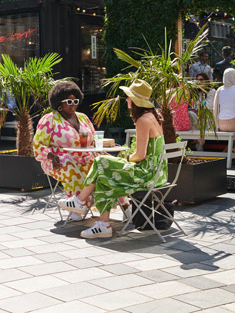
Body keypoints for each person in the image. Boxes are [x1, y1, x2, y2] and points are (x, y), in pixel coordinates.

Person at [57, 79, 166, 239]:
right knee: (103, 174)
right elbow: (145, 154)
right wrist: (122, 160)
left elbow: (140, 155)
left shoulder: (143, 121)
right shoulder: (152, 117)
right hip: (157, 172)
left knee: (100, 162)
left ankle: (81, 202)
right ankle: (103, 224)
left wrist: (125, 159)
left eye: (128, 96)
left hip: (146, 175)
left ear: (135, 100)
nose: (126, 99)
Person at [33, 81, 118, 222]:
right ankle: (78, 207)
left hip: (84, 158)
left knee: (104, 165)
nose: (73, 104)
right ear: (59, 103)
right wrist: (50, 154)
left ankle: (119, 205)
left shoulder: (83, 117)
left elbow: (93, 139)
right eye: (69, 101)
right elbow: (37, 144)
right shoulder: (50, 120)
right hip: (57, 160)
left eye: (75, 101)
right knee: (71, 166)